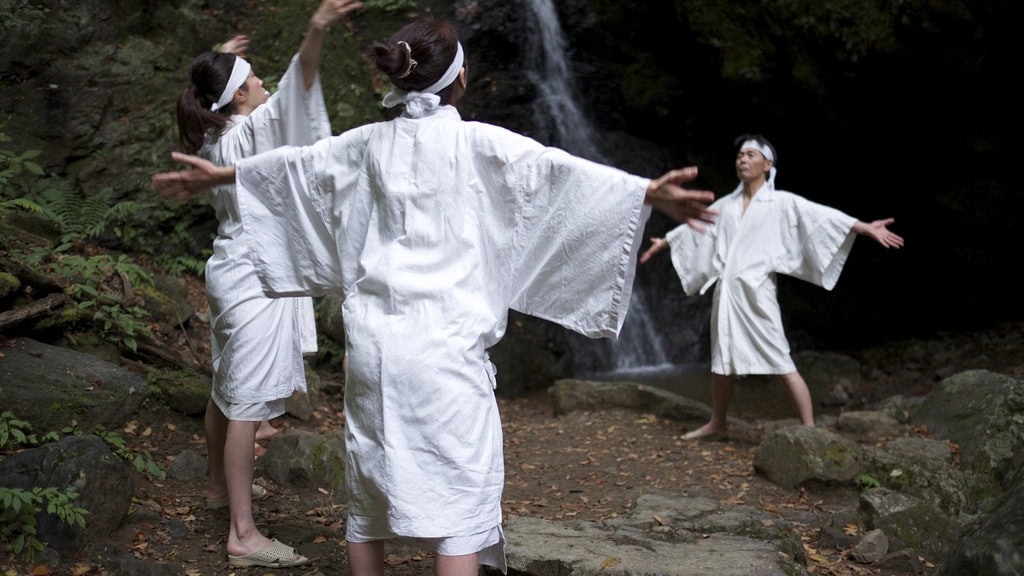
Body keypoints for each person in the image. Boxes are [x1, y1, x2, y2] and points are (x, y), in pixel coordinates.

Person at [154, 16, 717, 576]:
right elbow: (557, 175)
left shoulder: (366, 143)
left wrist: (223, 179)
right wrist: (647, 193)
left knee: (368, 502)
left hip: (371, 350)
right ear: (460, 79)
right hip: (445, 352)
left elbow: (299, 169)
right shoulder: (478, 143)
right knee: (460, 508)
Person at [173, 0, 363, 568]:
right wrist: (316, 29)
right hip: (255, 278)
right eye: (254, 78)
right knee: (247, 404)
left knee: (225, 390)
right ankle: (243, 533)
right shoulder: (247, 133)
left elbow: (231, 94)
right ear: (237, 98)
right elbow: (301, 87)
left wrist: (224, 60)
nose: (263, 82)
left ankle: (215, 486)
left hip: (230, 270)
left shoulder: (215, 136)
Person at [639, 134, 904, 440]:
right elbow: (698, 227)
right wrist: (667, 241)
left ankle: (810, 429)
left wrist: (864, 227)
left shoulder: (782, 203)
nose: (743, 160)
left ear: (768, 164)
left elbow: (820, 217)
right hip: (727, 294)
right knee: (722, 360)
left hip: (757, 293)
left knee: (780, 360)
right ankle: (718, 422)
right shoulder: (726, 205)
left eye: (751, 155)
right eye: (740, 155)